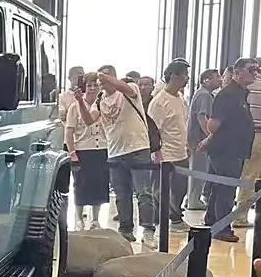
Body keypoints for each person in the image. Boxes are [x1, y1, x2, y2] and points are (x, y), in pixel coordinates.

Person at [94, 65, 159, 247]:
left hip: (138, 149)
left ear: (114, 77)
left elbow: (124, 88)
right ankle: (125, 230)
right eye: (101, 78)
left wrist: (102, 76)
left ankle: (148, 231)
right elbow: (89, 119)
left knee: (143, 192)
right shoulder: (101, 100)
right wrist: (80, 101)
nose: (102, 80)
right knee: (121, 195)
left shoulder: (130, 88)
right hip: (115, 152)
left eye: (107, 76)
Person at [199, 57, 259, 243]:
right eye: (251, 69)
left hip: (234, 150)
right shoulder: (228, 95)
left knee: (219, 188)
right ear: (238, 72)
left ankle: (211, 220)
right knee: (226, 189)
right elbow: (213, 125)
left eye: (257, 70)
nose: (255, 73)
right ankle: (222, 228)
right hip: (226, 150)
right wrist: (210, 138)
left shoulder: (240, 94)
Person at [148, 63, 191, 232]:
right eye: (184, 74)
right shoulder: (159, 102)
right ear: (173, 76)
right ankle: (169, 220)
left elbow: (183, 123)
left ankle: (174, 216)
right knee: (162, 190)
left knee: (180, 189)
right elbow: (153, 130)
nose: (187, 78)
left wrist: (187, 145)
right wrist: (157, 151)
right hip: (165, 155)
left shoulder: (180, 97)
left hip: (181, 152)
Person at [65, 72, 109, 230]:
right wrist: (72, 152)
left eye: (95, 85)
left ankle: (95, 219)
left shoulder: (104, 105)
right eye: (89, 85)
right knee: (80, 185)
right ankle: (79, 218)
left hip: (102, 148)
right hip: (82, 150)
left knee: (100, 184)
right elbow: (69, 131)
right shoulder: (75, 106)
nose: (92, 88)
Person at [187, 69, 222, 211]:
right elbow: (202, 117)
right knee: (199, 171)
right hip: (199, 139)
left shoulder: (203, 94)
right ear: (206, 80)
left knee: (198, 169)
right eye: (216, 77)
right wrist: (210, 136)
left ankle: (192, 199)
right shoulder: (204, 95)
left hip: (196, 139)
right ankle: (193, 201)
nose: (220, 79)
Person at [231, 76, 261, 228]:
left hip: (249, 134)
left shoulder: (248, 86)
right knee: (250, 176)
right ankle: (240, 216)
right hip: (257, 135)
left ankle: (241, 215)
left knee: (249, 176)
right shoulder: (255, 86)